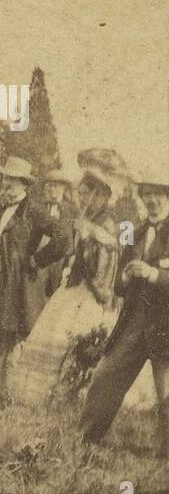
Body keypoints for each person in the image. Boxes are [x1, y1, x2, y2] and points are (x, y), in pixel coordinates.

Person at [9, 150, 148, 407]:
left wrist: (87, 251)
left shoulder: (106, 223)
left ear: (103, 196)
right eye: (83, 193)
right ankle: (52, 395)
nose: (85, 198)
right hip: (73, 287)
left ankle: (75, 395)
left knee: (83, 340)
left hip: (90, 292)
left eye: (90, 194)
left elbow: (104, 267)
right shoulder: (88, 219)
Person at [79, 165, 169, 457]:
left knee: (165, 390)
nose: (152, 200)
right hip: (133, 321)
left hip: (165, 321)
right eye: (148, 194)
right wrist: (127, 278)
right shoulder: (136, 231)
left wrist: (154, 274)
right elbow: (117, 283)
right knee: (106, 375)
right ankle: (86, 439)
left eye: (158, 194)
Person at [0, 155, 66, 401]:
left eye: (12, 180)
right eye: (5, 179)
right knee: (2, 333)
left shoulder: (33, 211)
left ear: (25, 184)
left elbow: (63, 237)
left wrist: (36, 260)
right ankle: (3, 390)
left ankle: (10, 392)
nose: (7, 184)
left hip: (17, 283)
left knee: (14, 334)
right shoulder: (2, 209)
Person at [40, 167, 78, 297]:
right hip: (41, 260)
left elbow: (75, 239)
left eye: (55, 186)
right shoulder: (40, 208)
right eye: (49, 186)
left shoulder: (72, 211)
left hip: (60, 262)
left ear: (63, 188)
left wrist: (69, 265)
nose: (52, 189)